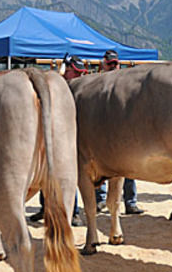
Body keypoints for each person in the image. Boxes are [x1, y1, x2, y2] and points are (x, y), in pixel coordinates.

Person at [29, 55, 88, 226]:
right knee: (46, 171)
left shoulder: (76, 87)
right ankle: (45, 207)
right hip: (51, 131)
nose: (78, 76)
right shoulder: (58, 85)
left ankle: (74, 212)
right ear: (67, 70)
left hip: (68, 135)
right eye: (75, 72)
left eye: (79, 73)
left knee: (68, 174)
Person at [96, 50, 144, 215]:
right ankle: (101, 200)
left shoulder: (126, 81)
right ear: (104, 64)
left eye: (115, 63)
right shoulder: (97, 83)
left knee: (128, 170)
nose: (113, 66)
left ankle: (130, 202)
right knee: (102, 169)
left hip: (124, 133)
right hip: (103, 132)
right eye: (110, 63)